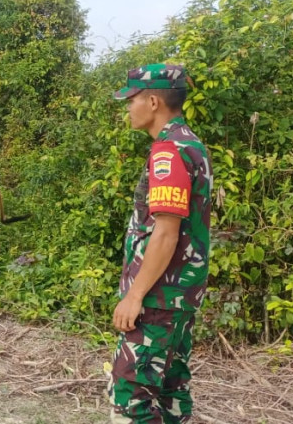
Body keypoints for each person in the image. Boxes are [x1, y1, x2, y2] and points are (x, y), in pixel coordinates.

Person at [107, 64, 212, 423]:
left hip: (158, 298)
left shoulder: (169, 151)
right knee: (171, 393)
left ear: (153, 102)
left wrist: (134, 296)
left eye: (131, 99)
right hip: (179, 295)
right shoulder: (191, 144)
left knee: (130, 397)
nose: (128, 108)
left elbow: (166, 233)